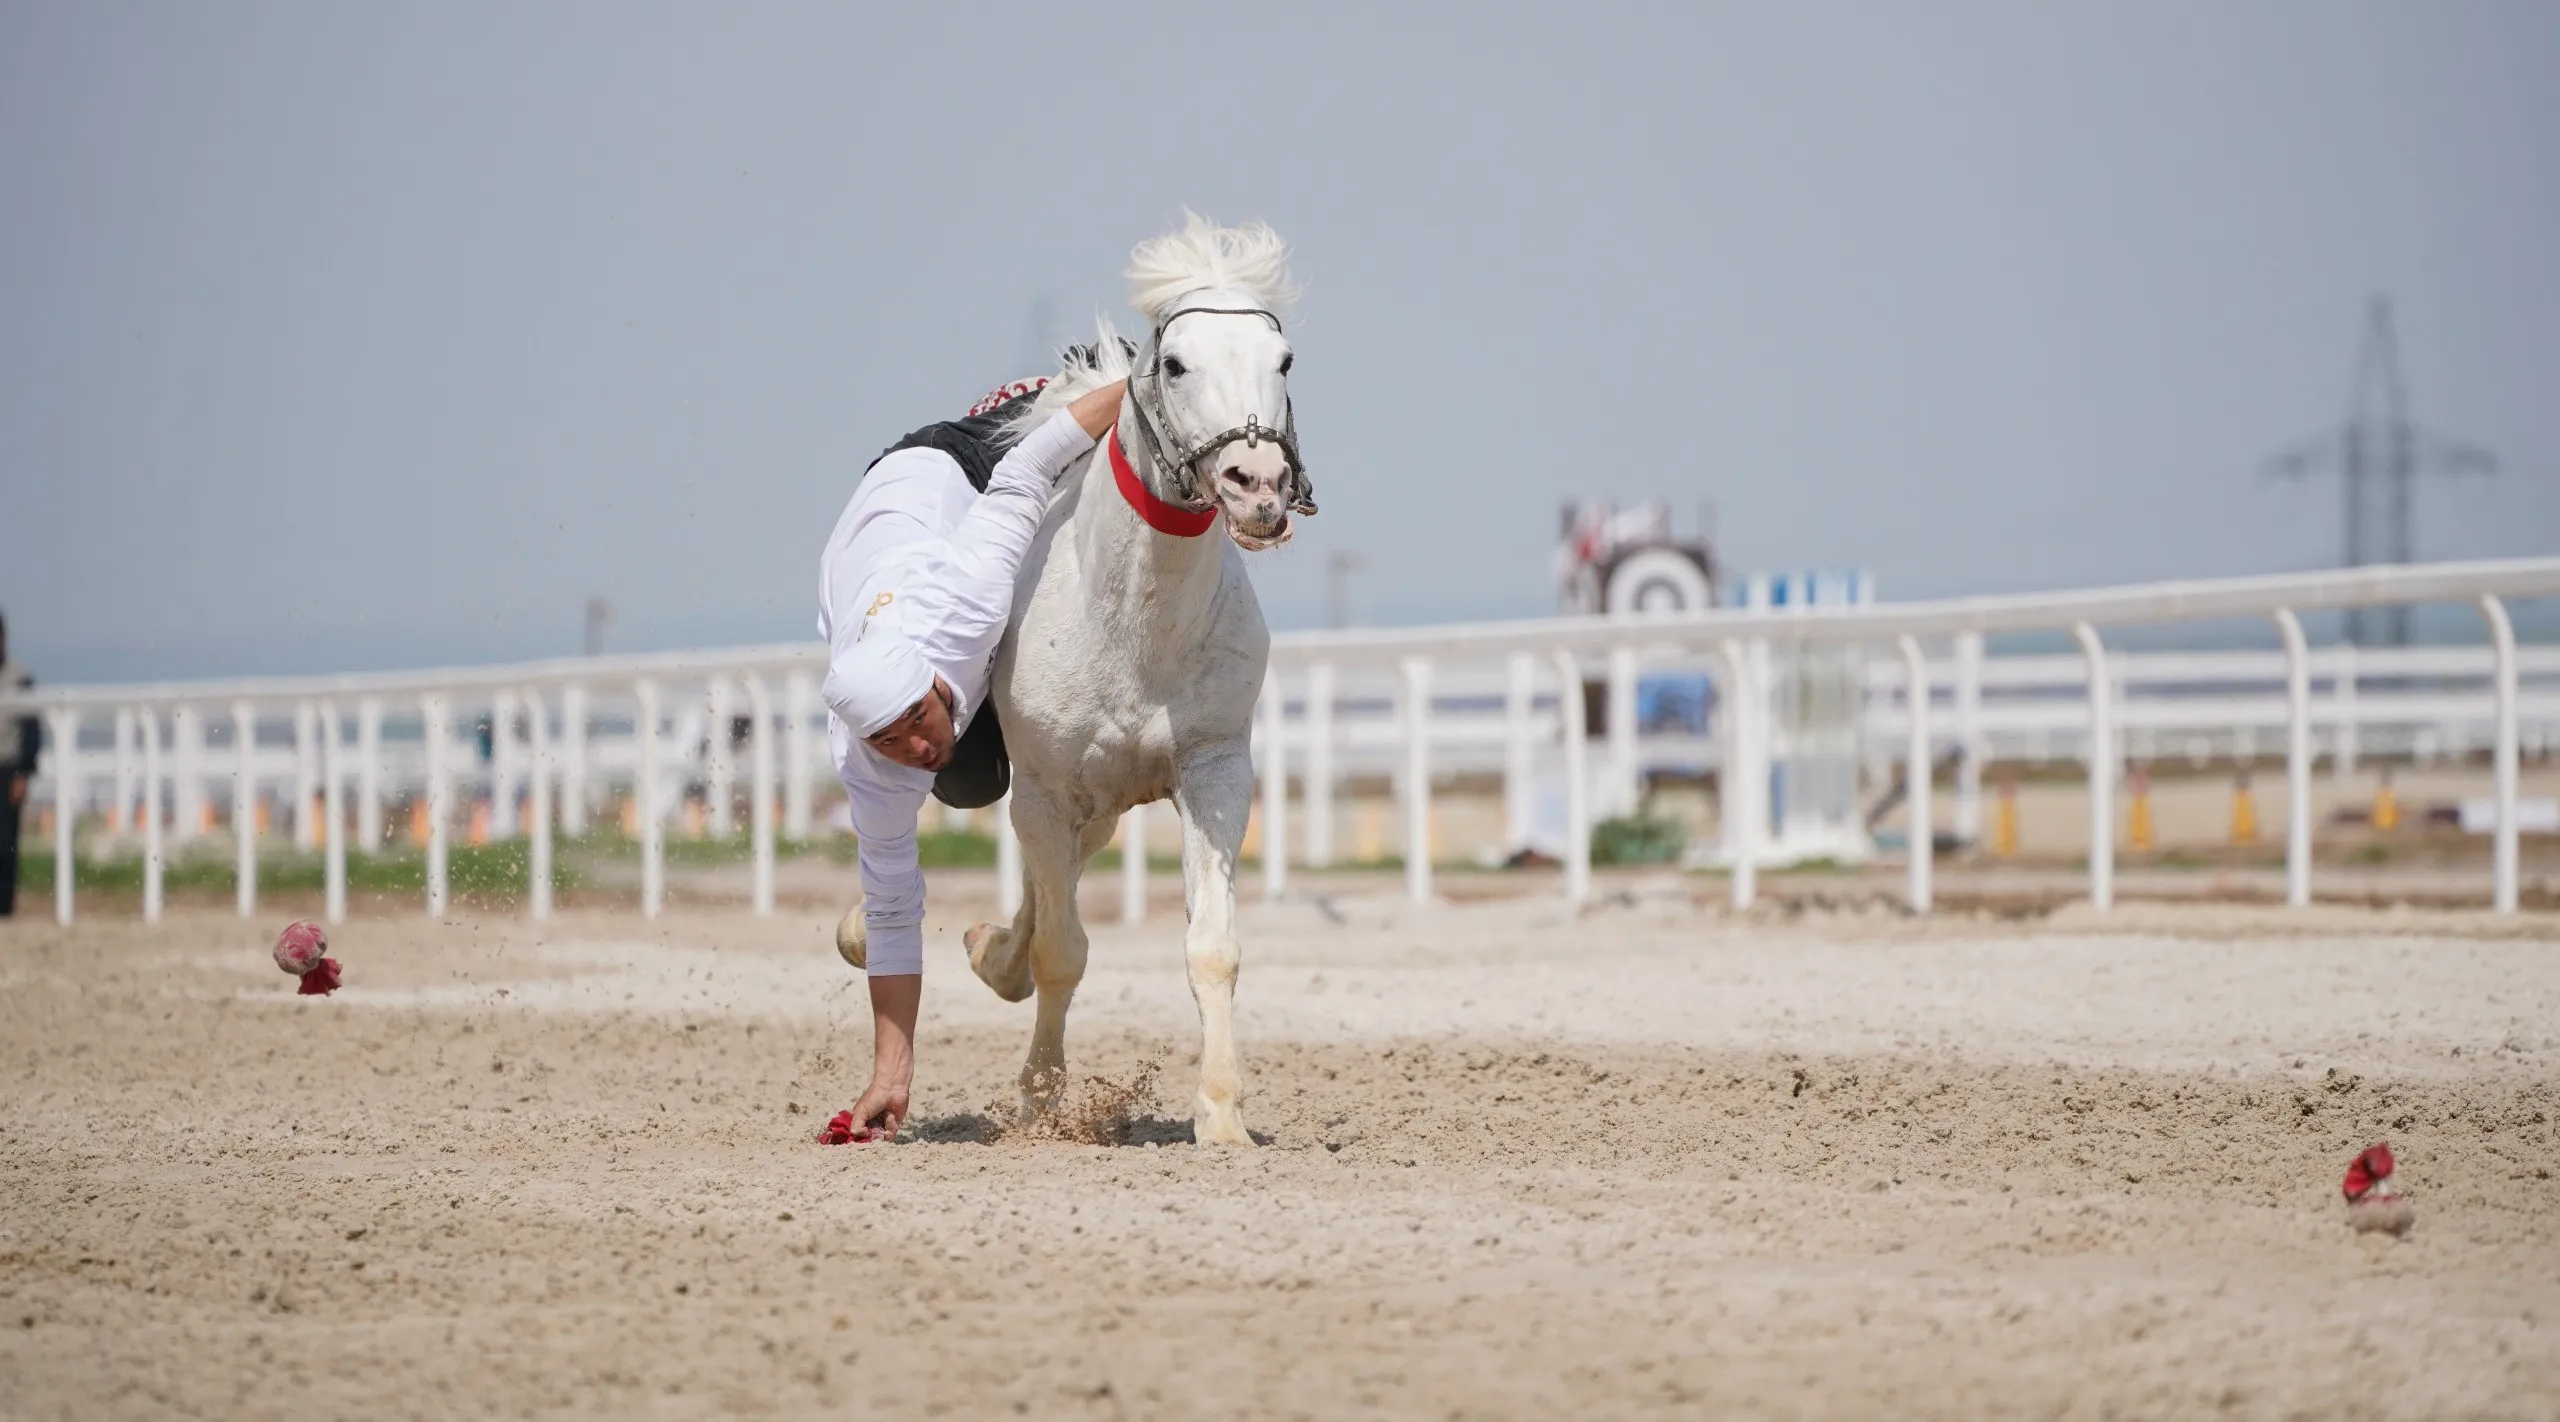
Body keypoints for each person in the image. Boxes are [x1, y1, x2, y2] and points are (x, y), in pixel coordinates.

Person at [818, 373, 1127, 1141]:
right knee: (972, 778)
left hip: (953, 467)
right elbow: (892, 907)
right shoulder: (869, 763)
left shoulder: (965, 597)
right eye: (892, 744)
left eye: (918, 722)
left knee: (1090, 386)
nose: (916, 750)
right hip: (869, 545)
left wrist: (1145, 379)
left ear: (934, 679)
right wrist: (891, 1077)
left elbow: (1027, 466)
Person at [0, 611, 37, 918]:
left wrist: (24, 772)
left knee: (6, 843)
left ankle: (5, 907)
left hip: (8, 769)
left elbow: (31, 729)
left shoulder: (19, 677)